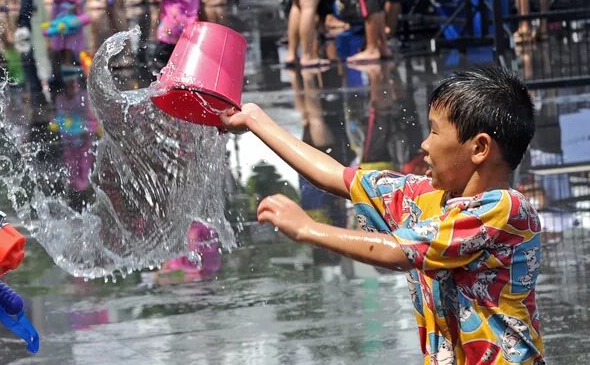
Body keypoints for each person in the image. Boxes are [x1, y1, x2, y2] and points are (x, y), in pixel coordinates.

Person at [220, 67, 544, 365]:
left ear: (479, 148)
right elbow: (337, 176)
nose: (424, 144)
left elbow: (398, 252)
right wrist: (254, 120)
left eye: (434, 131)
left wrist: (309, 228)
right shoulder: (426, 199)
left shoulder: (506, 212)